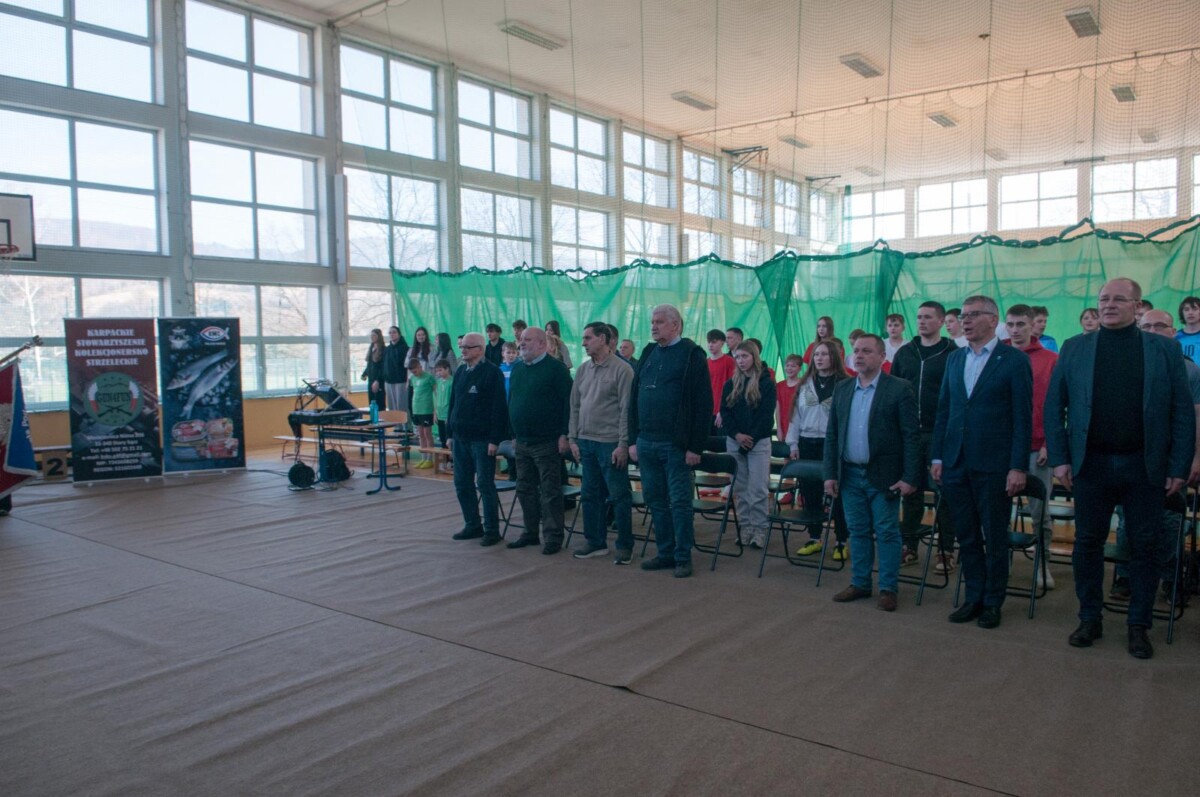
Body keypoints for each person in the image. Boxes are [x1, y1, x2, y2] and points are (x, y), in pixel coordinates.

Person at [1046, 283, 1194, 660]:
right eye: (1104, 300)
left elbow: (1181, 411)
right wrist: (1060, 458)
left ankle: (1138, 625)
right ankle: (1089, 618)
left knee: (1145, 546)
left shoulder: (1164, 349)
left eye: (1118, 299)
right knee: (1087, 543)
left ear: (1137, 305)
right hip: (1090, 465)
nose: (1109, 305)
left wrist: (1178, 466)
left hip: (1145, 466)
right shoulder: (1075, 347)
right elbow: (1054, 407)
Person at [932, 295, 1032, 630]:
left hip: (994, 463)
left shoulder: (1013, 360)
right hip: (956, 461)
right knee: (967, 535)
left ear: (993, 319)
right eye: (963, 315)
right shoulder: (955, 358)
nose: (966, 321)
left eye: (973, 315)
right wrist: (938, 455)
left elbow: (1022, 418)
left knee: (995, 535)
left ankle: (992, 601)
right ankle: (973, 596)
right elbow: (945, 410)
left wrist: (1018, 466)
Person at [1106, 309, 1200, 602]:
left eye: (1160, 326)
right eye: (1146, 326)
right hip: (1132, 459)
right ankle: (1125, 576)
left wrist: (1194, 458)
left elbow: (1195, 417)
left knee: (1170, 522)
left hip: (1171, 461)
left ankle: (1170, 579)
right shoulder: (1126, 363)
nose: (1153, 331)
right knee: (1126, 520)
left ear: (1174, 332)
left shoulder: (1190, 370)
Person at [823, 334, 921, 613]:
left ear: (882, 357)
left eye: (866, 351)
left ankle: (888, 588)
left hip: (884, 474)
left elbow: (911, 436)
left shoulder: (899, 389)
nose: (859, 356)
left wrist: (910, 477)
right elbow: (833, 435)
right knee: (857, 530)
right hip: (849, 474)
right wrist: (830, 474)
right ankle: (860, 583)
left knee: (887, 531)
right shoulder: (843, 388)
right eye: (856, 351)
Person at [629, 304, 713, 579]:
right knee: (655, 500)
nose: (653, 326)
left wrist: (695, 446)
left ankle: (682, 556)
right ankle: (665, 552)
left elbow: (703, 404)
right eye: (652, 321)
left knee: (679, 502)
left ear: (676, 325)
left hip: (675, 445)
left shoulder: (692, 354)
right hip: (646, 441)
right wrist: (632, 439)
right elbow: (634, 398)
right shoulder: (648, 352)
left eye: (660, 322)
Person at [889, 301, 956, 573]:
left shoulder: (953, 353)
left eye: (928, 317)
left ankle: (946, 550)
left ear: (941, 321)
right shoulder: (905, 353)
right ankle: (909, 546)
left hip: (940, 434)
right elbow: (892, 390)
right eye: (918, 317)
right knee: (911, 492)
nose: (922, 321)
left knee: (944, 494)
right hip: (909, 435)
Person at [568, 322, 635, 563]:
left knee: (619, 496)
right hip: (585, 442)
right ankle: (595, 542)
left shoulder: (623, 370)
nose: (583, 343)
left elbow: (627, 410)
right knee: (589, 495)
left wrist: (623, 444)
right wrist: (573, 438)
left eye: (588, 338)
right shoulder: (583, 370)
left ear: (603, 339)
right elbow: (575, 406)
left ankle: (625, 545)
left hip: (610, 444)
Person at [1003, 304, 1059, 589]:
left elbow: (1056, 405)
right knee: (998, 510)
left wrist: (1050, 442)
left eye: (1021, 324)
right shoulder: (997, 354)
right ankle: (1001, 563)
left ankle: (1042, 563)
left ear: (1033, 325)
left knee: (1040, 512)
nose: (1015, 330)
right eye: (1011, 324)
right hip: (1001, 447)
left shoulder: (1050, 360)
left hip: (1037, 447)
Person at [505, 327, 573, 555]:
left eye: (527, 340)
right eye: (521, 340)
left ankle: (553, 537)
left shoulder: (557, 369)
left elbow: (568, 404)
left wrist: (564, 434)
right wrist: (513, 434)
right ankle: (530, 532)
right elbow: (512, 401)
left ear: (542, 344)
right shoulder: (517, 369)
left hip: (548, 441)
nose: (521, 343)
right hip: (522, 441)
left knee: (550, 491)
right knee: (524, 489)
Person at [786, 341, 851, 560]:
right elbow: (795, 416)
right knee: (810, 492)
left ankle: (841, 541)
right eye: (816, 355)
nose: (819, 358)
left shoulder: (845, 383)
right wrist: (793, 444)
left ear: (834, 357)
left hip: (832, 444)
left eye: (824, 354)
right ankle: (815, 537)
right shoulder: (805, 384)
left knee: (837, 493)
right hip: (807, 443)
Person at [447, 332, 510, 546]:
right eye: (462, 347)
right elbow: (453, 403)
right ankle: (473, 524)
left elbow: (498, 408)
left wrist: (495, 439)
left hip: (482, 440)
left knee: (484, 484)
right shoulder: (460, 371)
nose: (463, 350)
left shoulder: (492, 373)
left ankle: (492, 530)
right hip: (460, 438)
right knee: (462, 484)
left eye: (468, 347)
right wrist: (449, 433)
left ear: (480, 349)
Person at [720, 341, 776, 549]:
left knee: (758, 488)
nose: (741, 361)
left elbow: (766, 416)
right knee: (740, 487)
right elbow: (725, 412)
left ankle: (760, 529)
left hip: (757, 442)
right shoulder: (731, 384)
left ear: (754, 357)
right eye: (737, 357)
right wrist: (736, 435)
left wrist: (750, 438)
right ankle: (745, 527)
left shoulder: (766, 383)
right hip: (735, 441)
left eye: (745, 356)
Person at [407, 358, 436, 468]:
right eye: (412, 372)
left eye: (415, 371)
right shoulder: (412, 378)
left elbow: (436, 392)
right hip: (416, 409)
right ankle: (423, 458)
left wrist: (436, 409)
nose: (414, 373)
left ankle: (430, 459)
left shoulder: (429, 377)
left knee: (427, 434)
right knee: (421, 435)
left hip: (426, 409)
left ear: (420, 367)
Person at [705, 329, 736, 426]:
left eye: (714, 342)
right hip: (707, 410)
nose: (710, 345)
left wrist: (723, 410)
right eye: (709, 342)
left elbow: (733, 388)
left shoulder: (729, 362)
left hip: (723, 410)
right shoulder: (705, 363)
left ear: (722, 343)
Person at [432, 359, 454, 472]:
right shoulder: (439, 382)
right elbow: (437, 398)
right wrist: (435, 413)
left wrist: (449, 416)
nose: (438, 373)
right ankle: (445, 461)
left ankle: (452, 461)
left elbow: (453, 400)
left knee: (449, 440)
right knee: (442, 439)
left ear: (447, 369)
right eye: (437, 371)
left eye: (440, 370)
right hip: (440, 414)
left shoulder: (452, 382)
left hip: (447, 415)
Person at [775, 354, 802, 442]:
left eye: (793, 366)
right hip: (784, 424)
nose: (789, 368)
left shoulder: (803, 385)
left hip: (799, 424)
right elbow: (778, 409)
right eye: (787, 365)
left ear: (799, 368)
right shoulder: (779, 386)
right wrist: (779, 429)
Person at [383, 326, 409, 416]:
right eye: (390, 333)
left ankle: (405, 424)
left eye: (394, 332)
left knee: (402, 406)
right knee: (392, 407)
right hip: (388, 382)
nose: (392, 334)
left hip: (401, 381)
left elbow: (407, 367)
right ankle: (395, 424)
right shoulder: (387, 349)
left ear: (399, 334)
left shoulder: (405, 348)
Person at [362, 328, 386, 410]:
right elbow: (370, 364)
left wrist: (378, 380)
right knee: (371, 403)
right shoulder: (371, 348)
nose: (372, 337)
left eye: (374, 335)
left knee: (379, 403)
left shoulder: (383, 349)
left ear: (379, 336)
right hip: (371, 380)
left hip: (378, 381)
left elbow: (382, 367)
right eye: (371, 335)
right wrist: (364, 374)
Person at [1175, 296, 1200, 365]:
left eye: (1195, 309)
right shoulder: (1175, 337)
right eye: (1186, 309)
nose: (1190, 313)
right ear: (1182, 313)